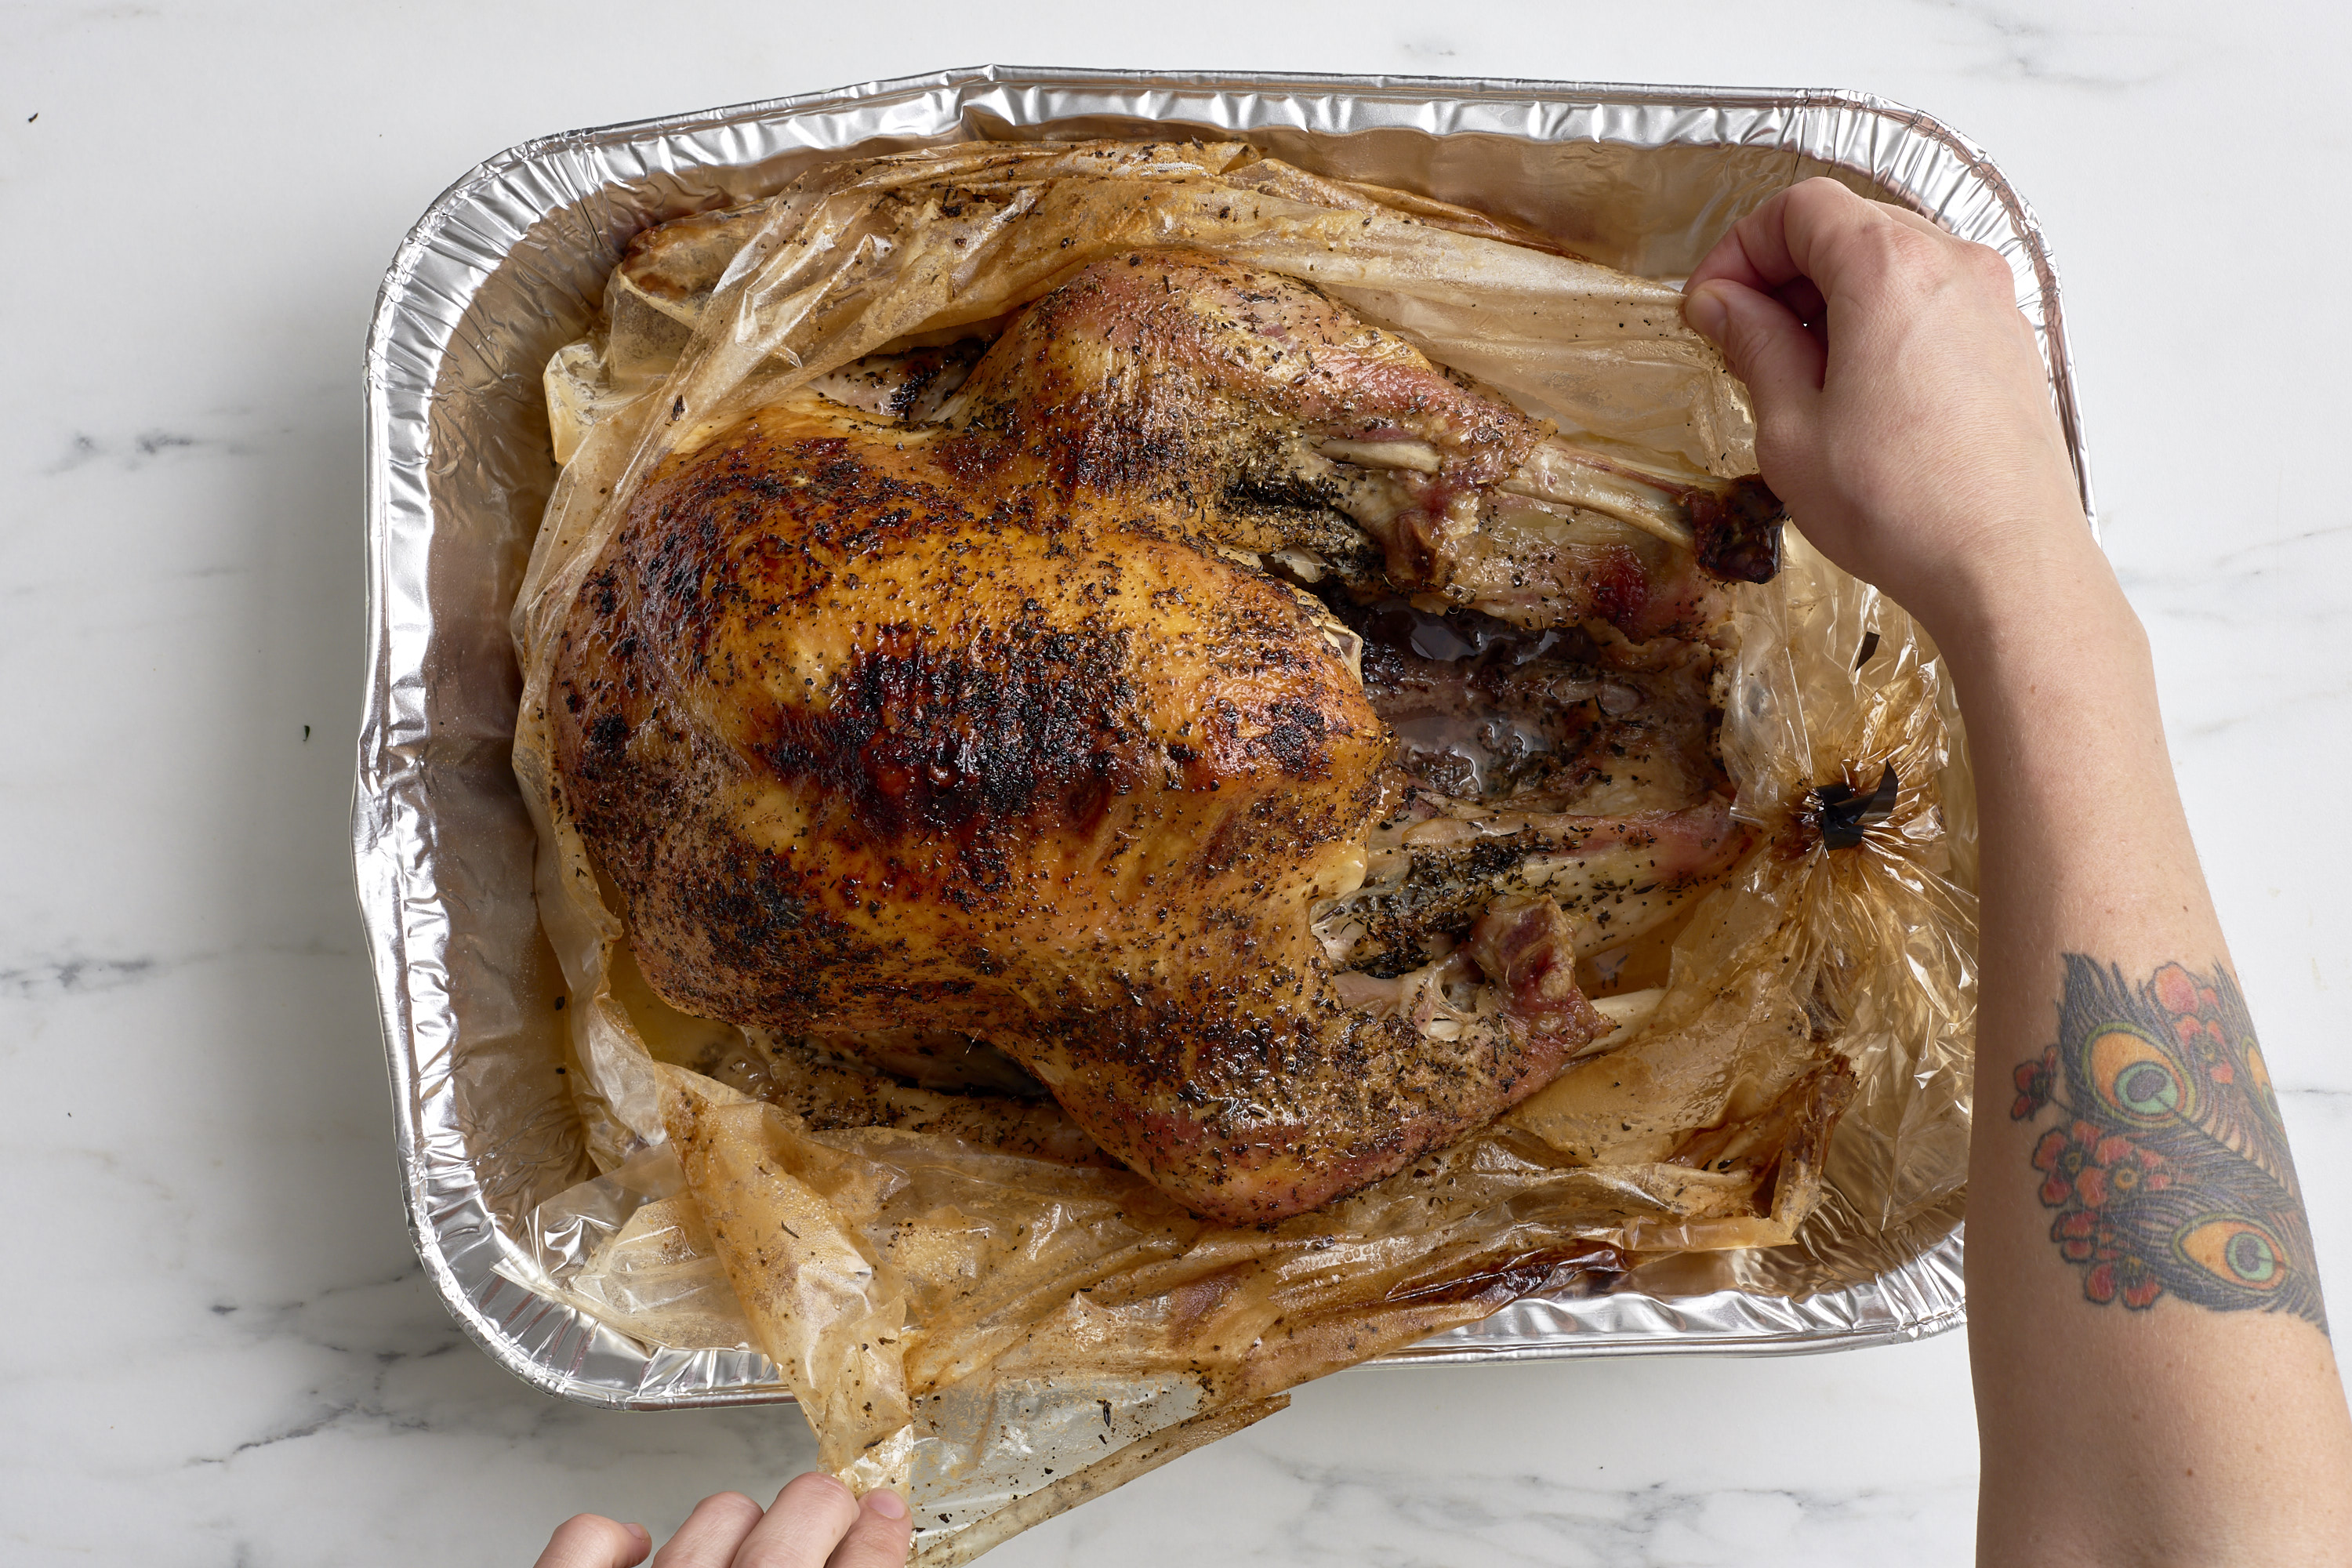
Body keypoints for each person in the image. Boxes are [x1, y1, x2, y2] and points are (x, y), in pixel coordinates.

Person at [531, 177, 2352, 1568]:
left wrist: (2030, 590)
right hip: (810, 662)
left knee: (1134, 428)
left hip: (802, 623)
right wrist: (2030, 585)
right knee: (1223, 1075)